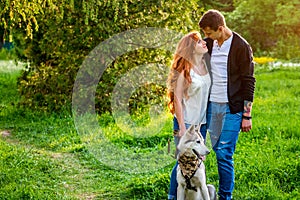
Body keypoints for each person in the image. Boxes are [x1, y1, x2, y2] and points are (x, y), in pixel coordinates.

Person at [198, 9, 256, 200]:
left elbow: (249, 81)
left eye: (209, 33)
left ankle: (225, 197)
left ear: (220, 28)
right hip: (210, 106)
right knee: (206, 148)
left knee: (223, 153)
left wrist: (247, 115)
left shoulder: (241, 46)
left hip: (233, 108)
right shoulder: (208, 44)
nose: (206, 37)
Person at [166, 31, 211, 200]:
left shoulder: (204, 66)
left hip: (201, 124)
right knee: (182, 163)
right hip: (185, 123)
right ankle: (172, 197)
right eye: (199, 42)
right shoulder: (184, 70)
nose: (204, 43)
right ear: (191, 48)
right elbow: (177, 100)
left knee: (196, 163)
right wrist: (183, 128)